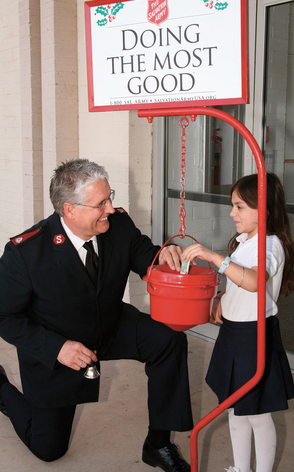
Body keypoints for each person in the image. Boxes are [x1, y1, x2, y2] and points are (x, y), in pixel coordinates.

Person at [0, 158, 194, 471]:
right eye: (101, 203)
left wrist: (162, 258)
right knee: (48, 450)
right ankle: (2, 388)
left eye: (110, 197)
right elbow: (4, 317)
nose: (110, 208)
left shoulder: (117, 224)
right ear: (69, 209)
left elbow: (144, 254)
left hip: (111, 324)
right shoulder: (24, 254)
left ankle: (158, 443)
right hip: (60, 345)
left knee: (169, 340)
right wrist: (57, 348)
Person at [182, 173, 294, 472]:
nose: (232, 213)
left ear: (265, 210)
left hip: (253, 336)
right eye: (233, 205)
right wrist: (221, 298)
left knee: (257, 414)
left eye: (240, 206)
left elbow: (256, 281)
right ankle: (242, 469)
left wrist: (213, 257)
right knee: (234, 407)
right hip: (234, 332)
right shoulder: (248, 241)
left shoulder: (270, 246)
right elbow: (239, 282)